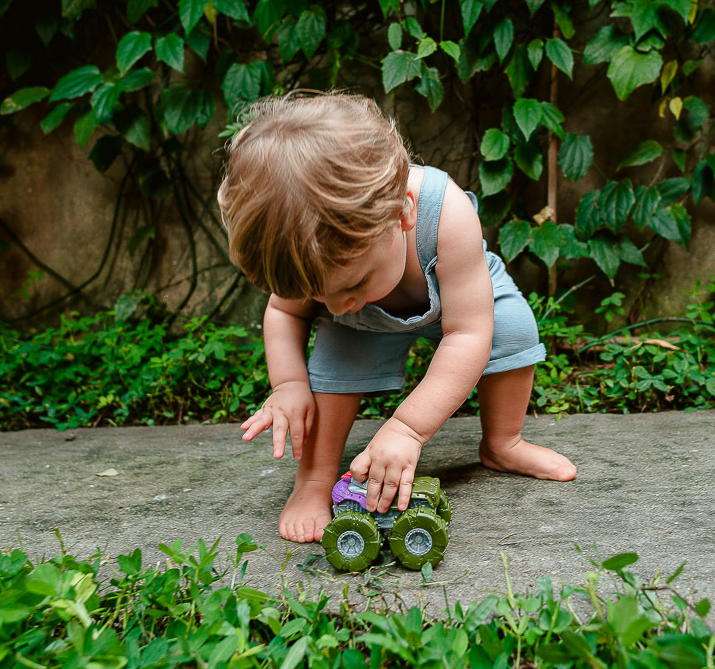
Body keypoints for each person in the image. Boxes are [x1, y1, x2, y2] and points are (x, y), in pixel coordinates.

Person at [217, 92, 576, 543]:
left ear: (402, 212)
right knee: (333, 367)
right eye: (316, 294)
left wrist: (408, 428)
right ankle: (313, 480)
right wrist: (289, 385)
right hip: (369, 324)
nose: (334, 306)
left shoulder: (446, 214)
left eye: (350, 285)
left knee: (513, 330)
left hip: (459, 301)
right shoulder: (323, 273)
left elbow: (469, 332)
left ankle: (502, 444)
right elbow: (282, 312)